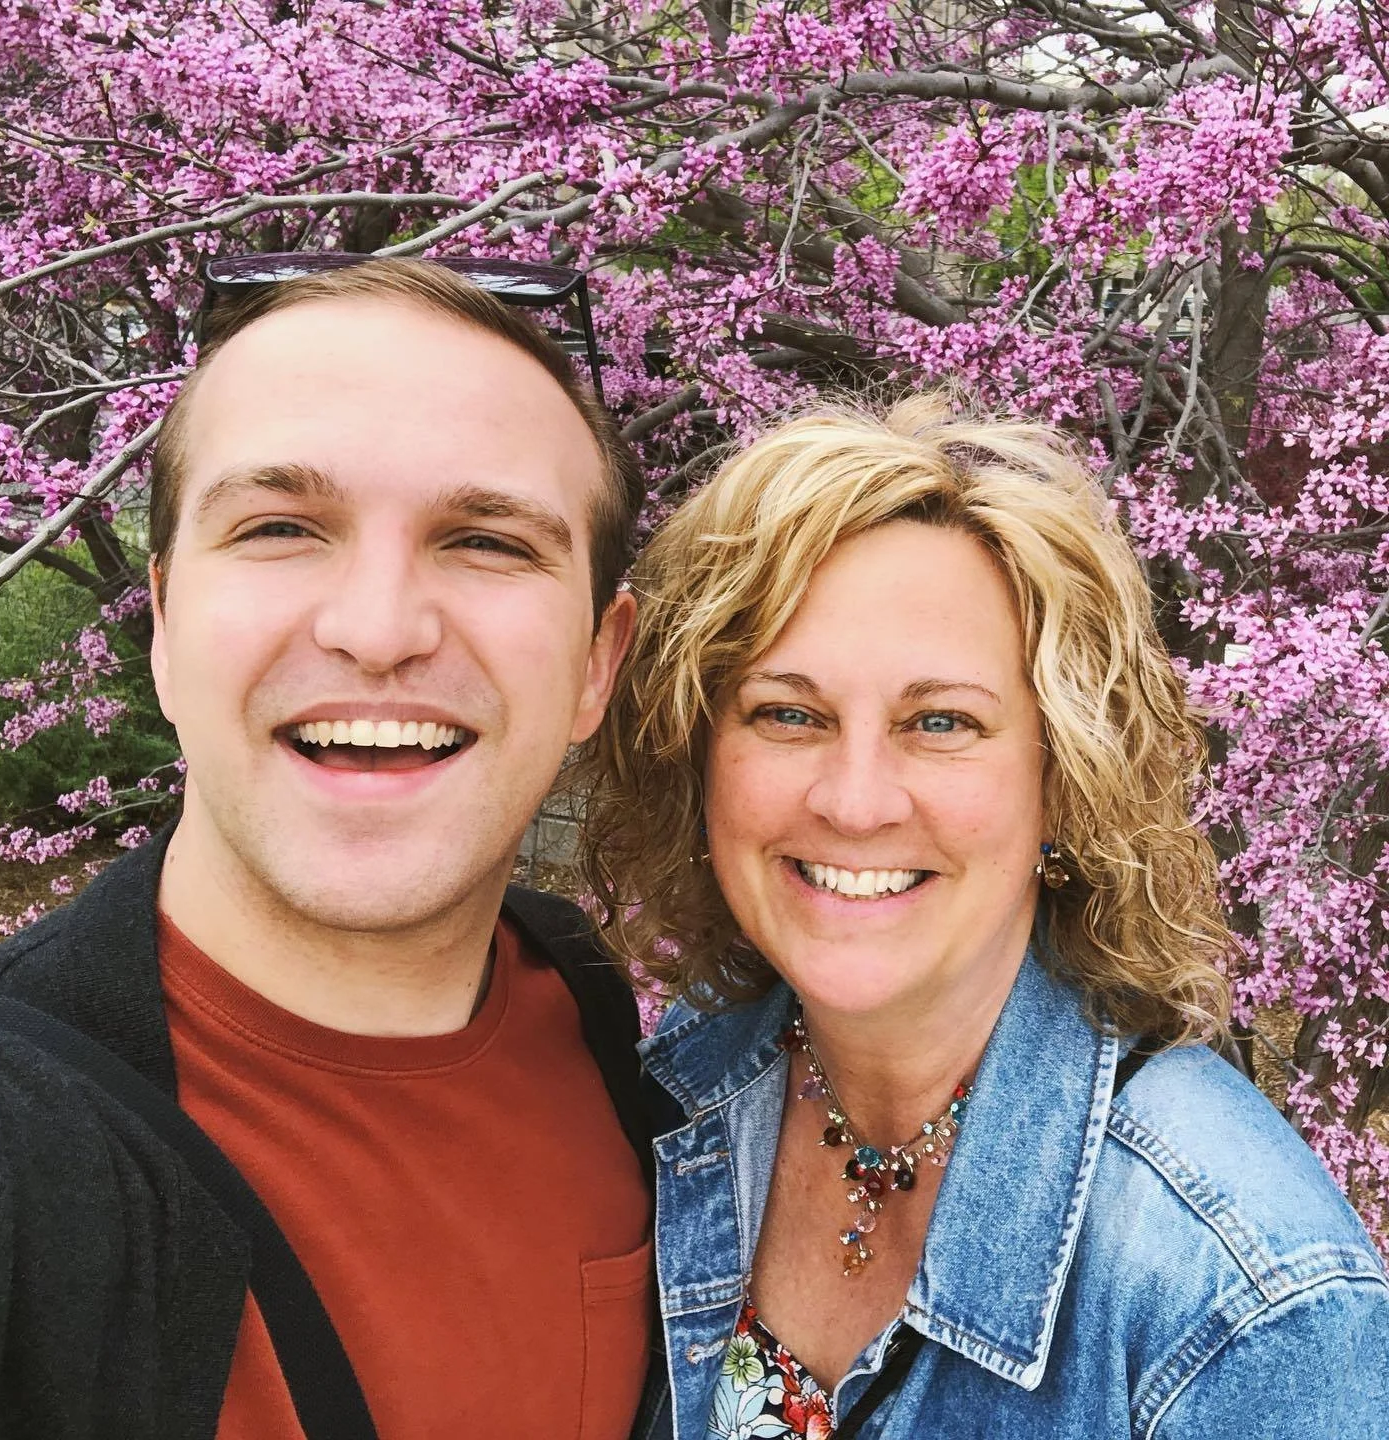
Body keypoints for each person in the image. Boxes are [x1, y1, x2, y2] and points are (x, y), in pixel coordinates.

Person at [580, 394, 1389, 1439]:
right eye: (788, 713)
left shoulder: (1247, 1303)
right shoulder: (694, 1073)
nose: (855, 800)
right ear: (702, 760)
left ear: (1063, 778)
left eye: (942, 722)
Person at [0, 258, 654, 1440]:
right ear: (166, 627)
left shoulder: (604, 1027)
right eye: (281, 528)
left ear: (597, 660)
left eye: (485, 541)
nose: (378, 630)